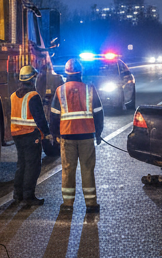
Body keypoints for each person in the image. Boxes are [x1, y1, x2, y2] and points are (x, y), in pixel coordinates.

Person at [50, 57, 104, 212]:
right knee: (87, 169)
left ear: (66, 73)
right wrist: (98, 133)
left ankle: (68, 204)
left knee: (68, 169)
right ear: (81, 72)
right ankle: (91, 204)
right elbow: (99, 113)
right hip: (87, 136)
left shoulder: (60, 91)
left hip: (67, 136)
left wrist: (54, 135)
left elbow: (53, 115)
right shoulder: (89, 89)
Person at [10, 64, 51, 205]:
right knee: (32, 166)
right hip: (30, 135)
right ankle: (28, 197)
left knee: (21, 164)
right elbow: (40, 118)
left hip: (17, 135)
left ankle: (18, 194)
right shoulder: (33, 96)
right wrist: (47, 133)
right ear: (33, 78)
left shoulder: (14, 96)